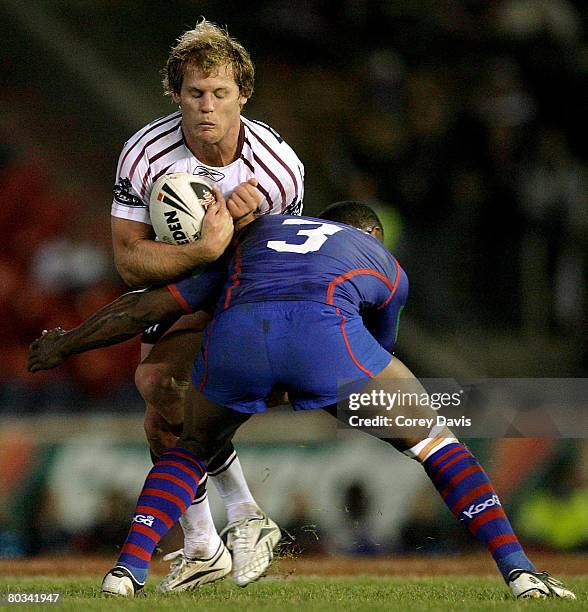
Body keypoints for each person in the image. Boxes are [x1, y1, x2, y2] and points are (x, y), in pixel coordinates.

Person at [29, 201, 575, 601]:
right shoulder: (382, 262)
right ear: (371, 237)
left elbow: (144, 304)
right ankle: (520, 571)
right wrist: (310, 391)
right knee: (435, 439)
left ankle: (125, 573)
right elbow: (373, 351)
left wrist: (66, 344)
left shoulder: (259, 236)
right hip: (325, 340)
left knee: (190, 446)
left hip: (237, 338)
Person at [110, 19, 304, 589]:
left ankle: (233, 521)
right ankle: (211, 537)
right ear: (176, 95)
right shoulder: (145, 153)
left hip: (248, 285)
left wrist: (250, 231)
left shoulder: (278, 167)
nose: (206, 107)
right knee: (159, 412)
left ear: (243, 94)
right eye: (195, 93)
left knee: (163, 388)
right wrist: (203, 247)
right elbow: (127, 260)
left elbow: (290, 262)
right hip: (181, 278)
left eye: (220, 93)